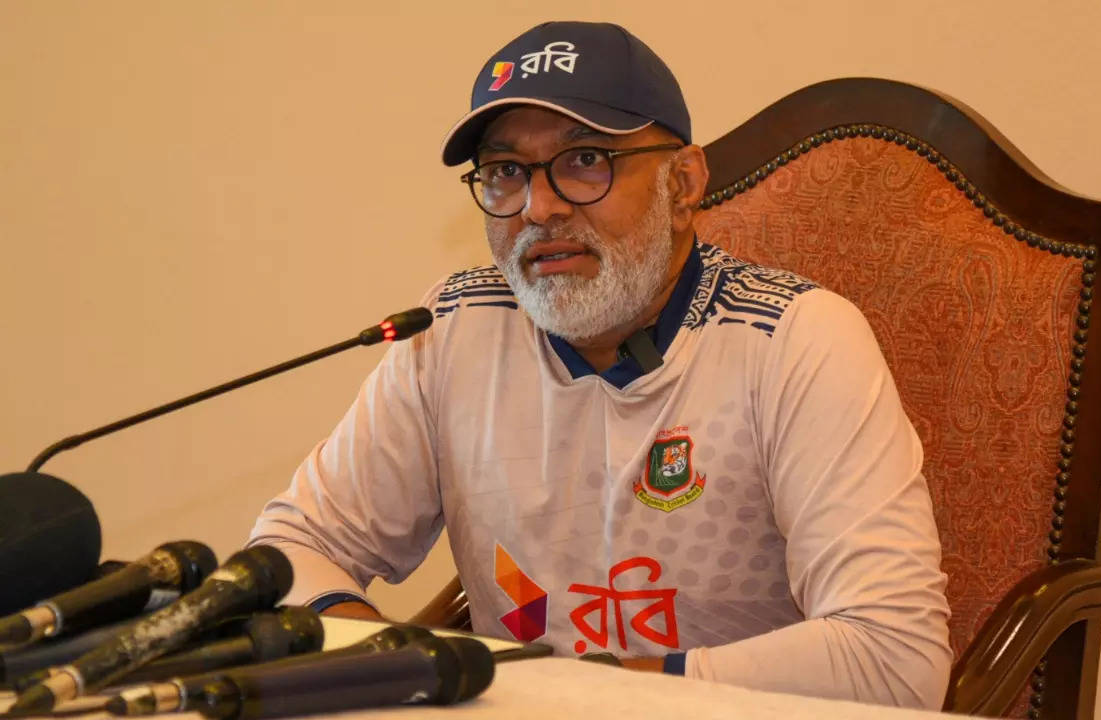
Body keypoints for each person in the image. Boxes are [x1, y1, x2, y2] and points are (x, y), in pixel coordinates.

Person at [249, 21, 951, 708]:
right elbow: (289, 549)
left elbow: (894, 658)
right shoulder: (456, 328)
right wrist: (392, 664)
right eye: (504, 172)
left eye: (586, 160)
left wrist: (591, 693)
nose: (540, 207)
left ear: (683, 184)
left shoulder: (792, 339)